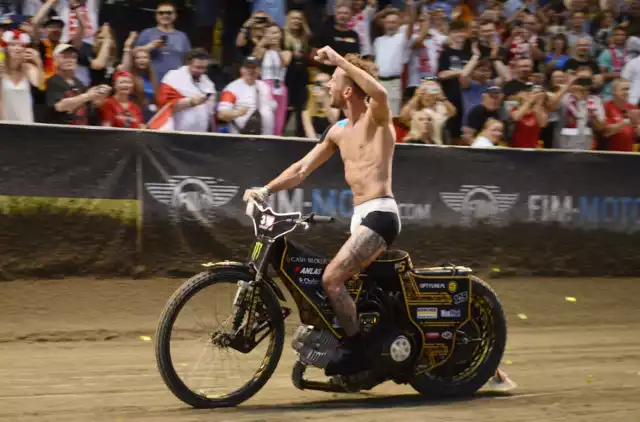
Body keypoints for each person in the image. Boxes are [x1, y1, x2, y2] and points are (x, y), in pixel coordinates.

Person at [243, 47, 397, 376]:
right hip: (360, 219)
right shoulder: (338, 130)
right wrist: (265, 190)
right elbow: (301, 169)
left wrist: (341, 60)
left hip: (381, 215)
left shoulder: (376, 118)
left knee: (331, 278)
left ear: (348, 89)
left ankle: (357, 355)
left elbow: (380, 91)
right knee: (337, 284)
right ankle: (348, 340)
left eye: (333, 81)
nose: (326, 87)